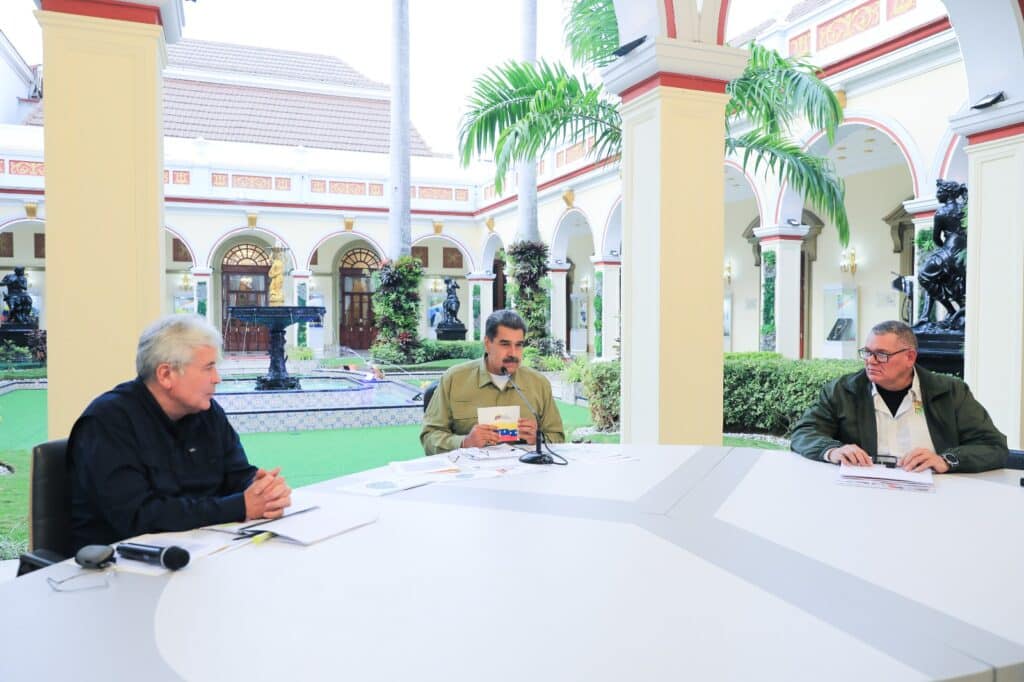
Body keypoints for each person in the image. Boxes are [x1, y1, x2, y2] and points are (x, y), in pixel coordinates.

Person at [68, 314, 292, 552]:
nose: (217, 379)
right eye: (208, 368)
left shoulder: (206, 412)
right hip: (118, 562)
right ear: (166, 375)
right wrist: (240, 506)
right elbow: (139, 516)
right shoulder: (107, 422)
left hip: (203, 551)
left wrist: (260, 489)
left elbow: (236, 475)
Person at [790, 320, 1007, 473]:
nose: (870, 361)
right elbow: (804, 432)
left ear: (909, 357)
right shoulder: (843, 390)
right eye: (867, 352)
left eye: (881, 354)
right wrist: (832, 450)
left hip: (935, 493)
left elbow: (993, 446)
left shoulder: (950, 392)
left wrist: (946, 460)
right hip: (863, 492)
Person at [420, 309, 565, 455]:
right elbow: (430, 437)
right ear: (487, 343)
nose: (513, 353)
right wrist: (464, 442)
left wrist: (538, 439)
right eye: (505, 344)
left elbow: (558, 437)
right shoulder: (454, 379)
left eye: (519, 345)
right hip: (470, 468)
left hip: (523, 468)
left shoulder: (538, 383)